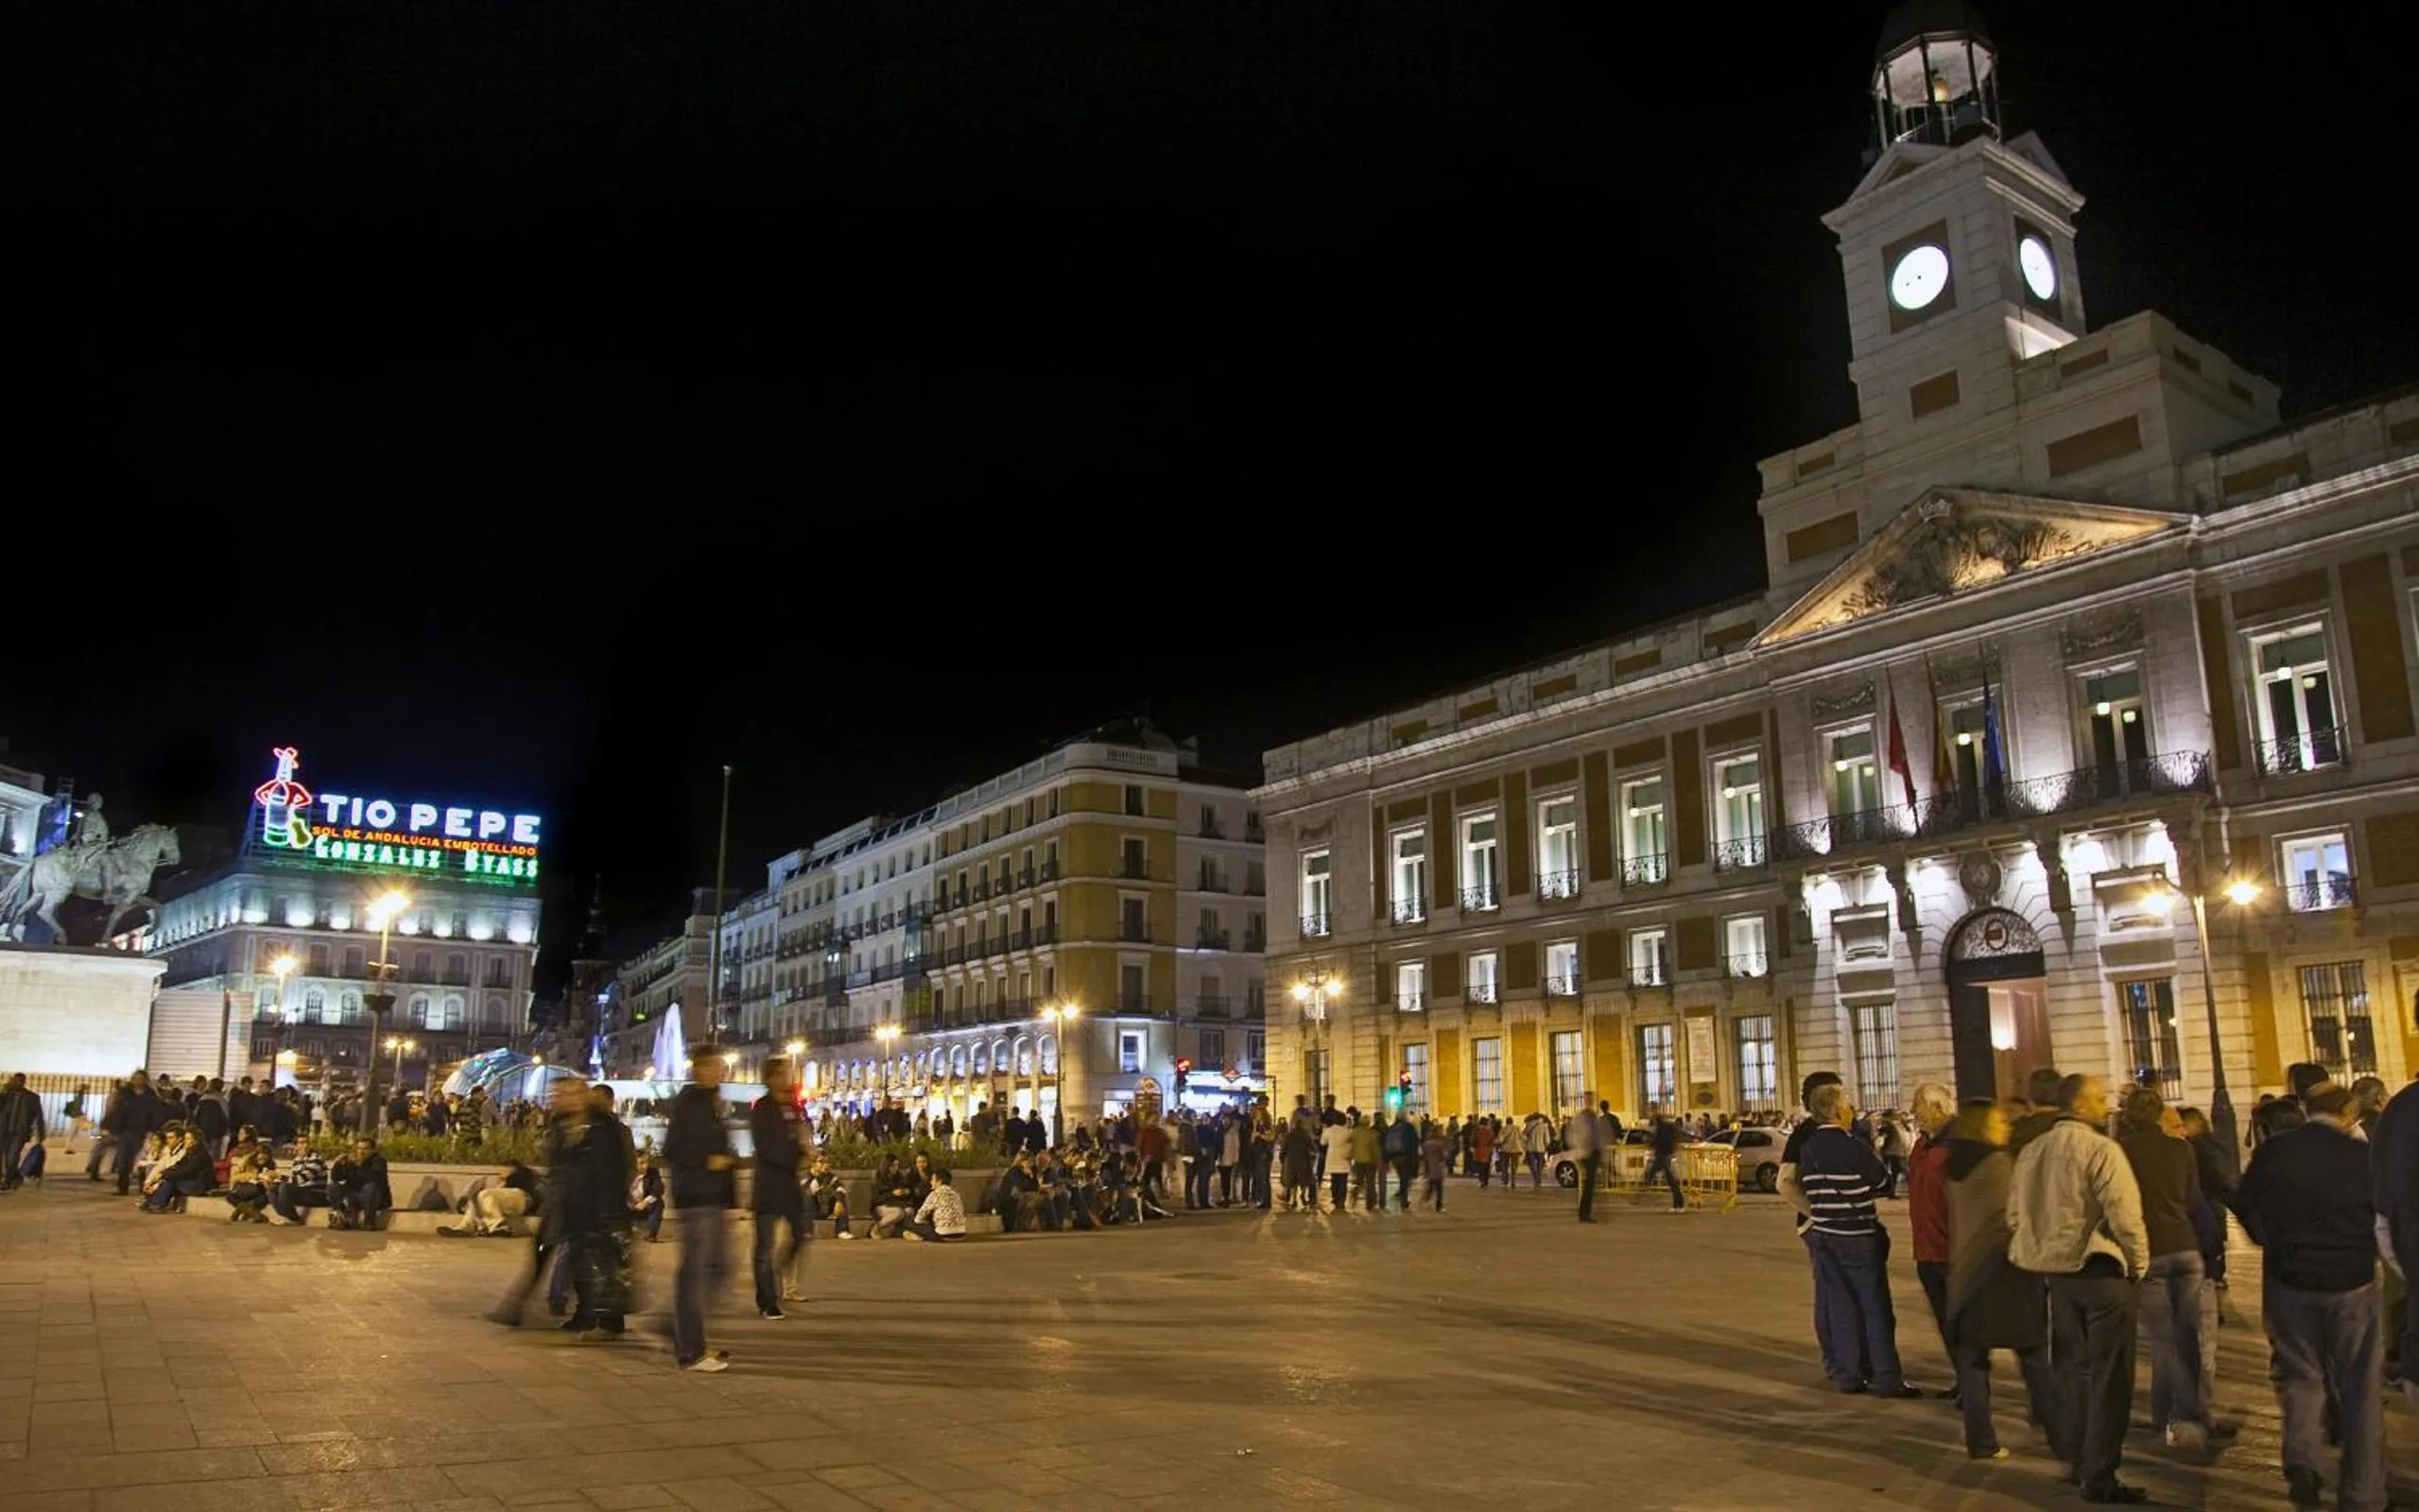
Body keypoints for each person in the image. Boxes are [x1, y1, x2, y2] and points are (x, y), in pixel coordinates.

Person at [2233, 1081, 2386, 1511]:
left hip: (2290, 1280)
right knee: (2360, 1386)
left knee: (2300, 1376)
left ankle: (2302, 1459)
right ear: (2346, 1113)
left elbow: (2242, 1201)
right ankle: (2363, 1494)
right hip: (2352, 1280)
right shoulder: (2361, 1155)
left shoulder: (2275, 1152)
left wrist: (2268, 1238)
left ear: (2305, 1108)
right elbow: (2383, 1211)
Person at [2009, 1074, 2150, 1505]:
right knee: (2110, 1376)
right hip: (2100, 1270)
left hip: (2056, 1276)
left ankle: (2075, 1456)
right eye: (2099, 1099)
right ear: (2081, 1105)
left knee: (2072, 1369)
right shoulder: (2101, 1149)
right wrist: (2139, 1262)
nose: (2105, 1105)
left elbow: (2015, 1215)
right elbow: (2125, 1215)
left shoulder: (2032, 1152)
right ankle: (2100, 1471)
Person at [1941, 1097, 2053, 1460]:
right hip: (2003, 1272)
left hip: (1966, 1273)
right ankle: (2061, 1433)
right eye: (1998, 1121)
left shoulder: (1952, 1165)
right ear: (1982, 1126)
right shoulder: (1998, 1163)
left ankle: (1981, 1441)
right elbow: (2013, 1218)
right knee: (2033, 1352)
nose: (2005, 1126)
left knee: (1972, 1363)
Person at [1794, 1080, 1918, 1398]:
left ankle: (1849, 1375)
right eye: (1847, 1104)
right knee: (1875, 1307)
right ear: (1837, 1111)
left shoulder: (1809, 1148)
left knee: (1841, 1306)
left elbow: (1804, 1185)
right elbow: (1882, 1183)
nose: (1851, 1110)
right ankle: (1886, 1377)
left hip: (1824, 1234)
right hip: (1857, 1233)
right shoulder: (1852, 1146)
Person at [2113, 1086, 2214, 1455]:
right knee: (2189, 1334)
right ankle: (2191, 1411)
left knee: (2161, 1339)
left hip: (2149, 1251)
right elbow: (2190, 1197)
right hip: (2185, 1246)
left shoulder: (2121, 1152)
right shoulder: (2181, 1149)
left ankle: (2162, 1411)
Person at [1780, 1071, 1865, 1391]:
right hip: (1820, 1227)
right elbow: (1785, 1183)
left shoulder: (1840, 1130)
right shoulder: (1804, 1133)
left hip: (1841, 1225)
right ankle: (1838, 1362)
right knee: (1832, 1296)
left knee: (1845, 1295)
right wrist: (1817, 1214)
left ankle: (1851, 1359)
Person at [665, 1050, 736, 1372]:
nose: (721, 1072)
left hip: (712, 1197)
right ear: (700, 1069)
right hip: (696, 1197)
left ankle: (677, 1327)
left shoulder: (710, 1102)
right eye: (716, 1066)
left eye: (722, 1067)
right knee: (694, 1274)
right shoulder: (690, 1104)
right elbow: (674, 1148)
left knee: (719, 1269)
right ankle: (690, 1350)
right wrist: (708, 1161)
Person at [1901, 1083, 1958, 1395]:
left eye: (1918, 1106)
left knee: (1963, 1325)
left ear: (1938, 1109)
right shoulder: (1920, 1147)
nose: (1913, 1112)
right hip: (1926, 1251)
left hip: (1953, 1253)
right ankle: (1963, 1379)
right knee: (1945, 1324)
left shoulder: (1958, 1145)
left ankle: (1973, 1385)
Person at [748, 1058, 808, 1319]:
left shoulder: (793, 1108)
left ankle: (776, 1271)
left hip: (790, 1184)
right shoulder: (762, 1109)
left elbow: (797, 1138)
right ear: (770, 1078)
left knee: (800, 1233)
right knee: (765, 1247)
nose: (787, 1078)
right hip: (769, 1185)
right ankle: (767, 1301)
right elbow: (766, 1147)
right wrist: (795, 1157)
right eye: (783, 1074)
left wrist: (805, 1150)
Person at [0, 1073, 44, 1192]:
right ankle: (14, 1177)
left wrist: (41, 1132)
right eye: (15, 1080)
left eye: (20, 1081)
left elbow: (39, 1116)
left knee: (12, 1156)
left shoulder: (32, 1097)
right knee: (4, 1156)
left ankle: (7, 1180)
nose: (17, 1083)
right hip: (4, 1130)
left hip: (19, 1132)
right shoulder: (6, 1095)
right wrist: (4, 1090)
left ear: (24, 1082)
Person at [1567, 1093, 1604, 1223]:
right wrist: (1580, 1150)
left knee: (1590, 1184)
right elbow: (1574, 1136)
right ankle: (1584, 1213)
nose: (1591, 1102)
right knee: (1588, 1185)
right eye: (1589, 1099)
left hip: (1593, 1152)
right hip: (1587, 1153)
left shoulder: (1593, 1116)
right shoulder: (1581, 1118)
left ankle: (1585, 1212)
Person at [904, 1168, 967, 1242]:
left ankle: (920, 1236)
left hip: (942, 1235)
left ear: (939, 1182)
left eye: (932, 1180)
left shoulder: (935, 1193)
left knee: (909, 1224)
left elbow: (920, 1216)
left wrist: (922, 1223)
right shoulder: (955, 1193)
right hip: (961, 1234)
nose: (930, 1182)